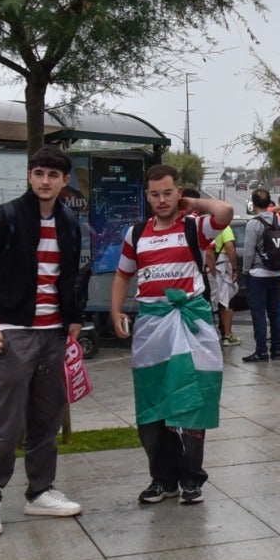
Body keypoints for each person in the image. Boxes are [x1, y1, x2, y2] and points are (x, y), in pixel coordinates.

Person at [0, 147, 86, 538]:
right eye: (39, 173)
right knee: (6, 418)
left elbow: (72, 275)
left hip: (54, 333)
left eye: (53, 175)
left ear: (65, 181)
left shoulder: (69, 221)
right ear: (29, 177)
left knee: (46, 416)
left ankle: (40, 491)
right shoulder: (5, 218)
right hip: (13, 333)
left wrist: (74, 319)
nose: (45, 181)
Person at [109, 167, 233, 505]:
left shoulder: (194, 226)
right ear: (146, 196)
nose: (161, 200)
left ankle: (192, 480)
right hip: (152, 327)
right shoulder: (136, 233)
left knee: (192, 401)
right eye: (155, 194)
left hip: (191, 323)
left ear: (178, 192)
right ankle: (162, 480)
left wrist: (191, 202)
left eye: (168, 193)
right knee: (152, 405)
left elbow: (224, 212)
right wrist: (116, 311)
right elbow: (122, 276)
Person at [241, 189, 280, 363]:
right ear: (269, 203)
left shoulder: (253, 224)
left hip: (258, 274)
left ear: (253, 203)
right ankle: (276, 350)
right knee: (275, 312)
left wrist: (245, 270)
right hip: (276, 272)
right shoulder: (279, 221)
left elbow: (248, 251)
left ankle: (261, 351)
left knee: (258, 313)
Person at [210, 220, 241, 347]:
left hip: (209, 267)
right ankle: (227, 335)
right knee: (227, 301)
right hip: (222, 267)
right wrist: (234, 268)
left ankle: (215, 333)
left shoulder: (206, 227)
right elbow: (229, 246)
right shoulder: (224, 227)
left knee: (213, 301)